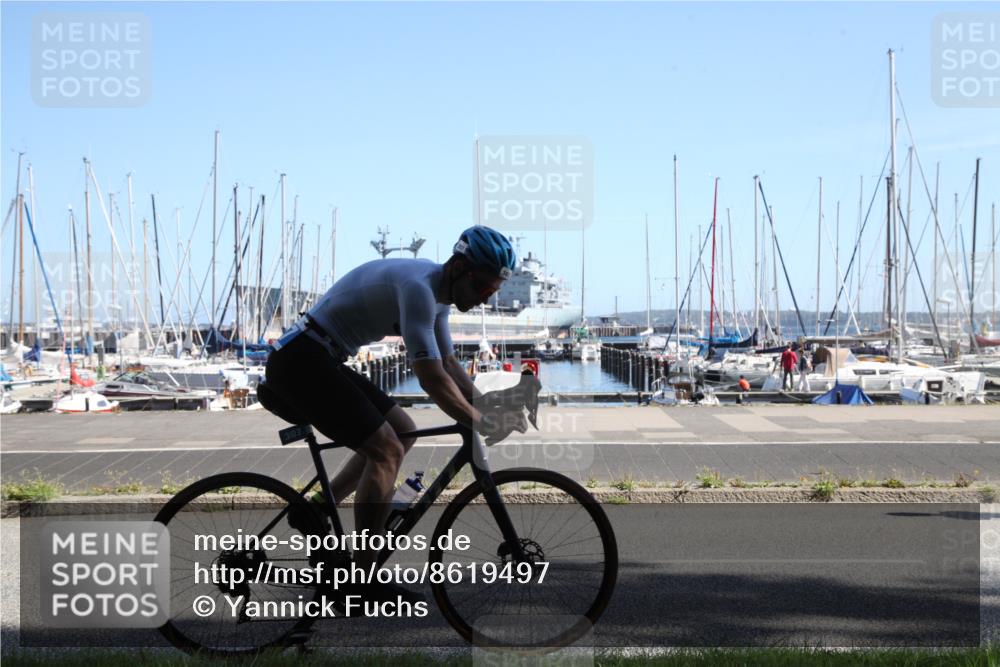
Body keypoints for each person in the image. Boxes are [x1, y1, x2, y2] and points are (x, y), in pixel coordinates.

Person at [263, 225, 525, 601]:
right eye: (482, 288)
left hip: (323, 356)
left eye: (492, 292)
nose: (485, 299)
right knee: (385, 450)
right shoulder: (419, 288)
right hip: (300, 360)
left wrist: (486, 407)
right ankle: (362, 582)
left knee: (403, 431)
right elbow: (431, 378)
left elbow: (449, 363)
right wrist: (478, 420)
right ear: (457, 267)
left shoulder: (439, 298)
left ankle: (317, 508)